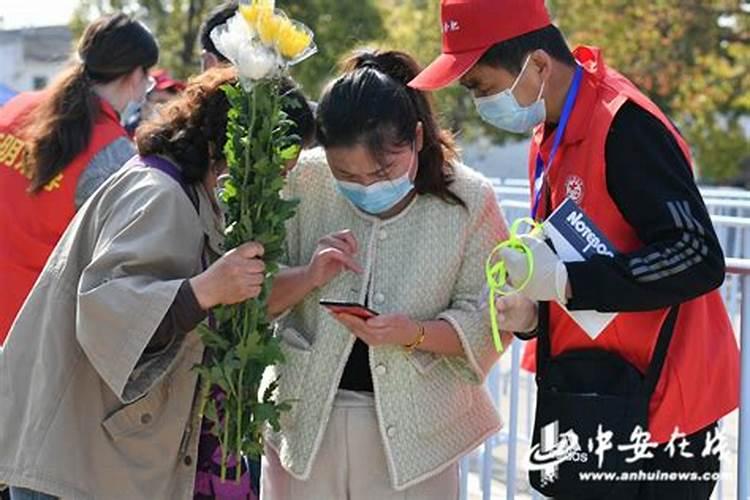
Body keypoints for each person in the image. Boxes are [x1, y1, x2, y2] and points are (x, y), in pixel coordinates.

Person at [410, 1, 740, 499]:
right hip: (590, 393)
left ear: (538, 64)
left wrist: (567, 282)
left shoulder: (625, 126)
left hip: (659, 412)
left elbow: (697, 255)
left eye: (482, 86)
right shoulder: (549, 134)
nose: (478, 101)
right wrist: (534, 311)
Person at [0, 67, 279, 500]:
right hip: (71, 462)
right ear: (216, 151)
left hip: (86, 454)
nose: (270, 186)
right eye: (258, 170)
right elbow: (106, 309)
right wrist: (206, 290)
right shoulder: (159, 194)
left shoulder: (178, 187)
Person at [260, 49, 511, 500]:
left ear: (416, 137)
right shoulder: (303, 180)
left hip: (421, 437)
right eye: (346, 175)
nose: (365, 186)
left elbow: (494, 321)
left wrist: (413, 333)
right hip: (303, 424)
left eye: (382, 171)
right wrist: (309, 276)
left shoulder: (470, 199)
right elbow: (251, 298)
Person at [0, 14, 159, 344]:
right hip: (27, 331)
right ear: (134, 75)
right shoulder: (114, 155)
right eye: (148, 77)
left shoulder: (17, 108)